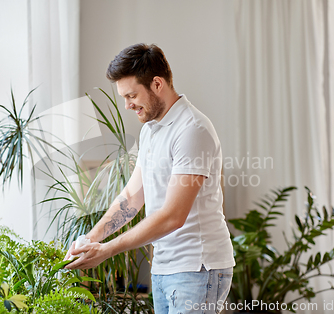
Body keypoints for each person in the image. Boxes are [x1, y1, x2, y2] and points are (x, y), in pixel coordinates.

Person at [64, 43, 235, 314]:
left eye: (132, 95)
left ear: (157, 84)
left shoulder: (192, 129)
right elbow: (132, 197)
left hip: (197, 269)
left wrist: (107, 250)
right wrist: (91, 238)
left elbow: (173, 215)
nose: (127, 105)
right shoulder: (151, 130)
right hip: (165, 269)